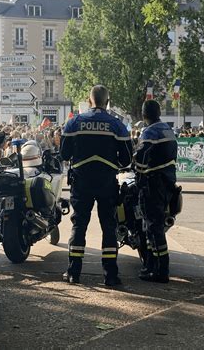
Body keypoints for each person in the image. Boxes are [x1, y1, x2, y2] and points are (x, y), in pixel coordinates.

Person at [60, 85, 132, 286]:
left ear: (89, 100)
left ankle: (74, 272)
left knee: (79, 225)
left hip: (81, 181)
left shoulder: (74, 123)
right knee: (109, 228)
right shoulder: (117, 125)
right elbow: (127, 159)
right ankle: (110, 276)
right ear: (107, 102)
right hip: (106, 182)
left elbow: (64, 154)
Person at [134, 100, 178, 283]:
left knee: (153, 227)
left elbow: (141, 162)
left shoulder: (149, 132)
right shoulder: (168, 130)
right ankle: (151, 266)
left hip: (152, 184)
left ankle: (161, 270)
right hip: (168, 183)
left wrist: (134, 162)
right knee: (155, 227)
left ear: (144, 116)